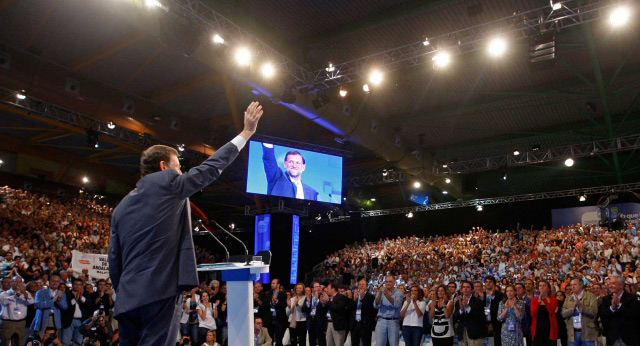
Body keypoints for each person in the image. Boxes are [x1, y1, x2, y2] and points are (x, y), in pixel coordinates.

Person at [108, 101, 263, 345]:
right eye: (178, 167)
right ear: (164, 167)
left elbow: (114, 261)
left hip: (127, 298)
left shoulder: (121, 208)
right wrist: (246, 133)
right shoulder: (170, 186)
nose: (181, 173)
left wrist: (124, 292)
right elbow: (212, 167)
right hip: (159, 295)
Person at [597, 275, 640, 345]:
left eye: (613, 283)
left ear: (621, 285)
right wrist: (612, 308)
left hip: (629, 338)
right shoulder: (606, 299)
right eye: (609, 283)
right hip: (612, 338)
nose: (610, 286)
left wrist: (620, 305)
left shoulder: (633, 298)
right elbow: (602, 315)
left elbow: (634, 315)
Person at [561, 278, 598, 346]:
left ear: (581, 285)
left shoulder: (591, 296)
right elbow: (563, 314)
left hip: (587, 333)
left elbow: (593, 312)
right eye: (571, 285)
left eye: (575, 284)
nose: (572, 286)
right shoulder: (568, 298)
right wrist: (573, 309)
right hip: (573, 334)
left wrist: (580, 306)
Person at [0, 275, 34, 346]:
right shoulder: (4, 294)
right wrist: (18, 294)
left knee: (18, 343)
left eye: (20, 282)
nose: (18, 284)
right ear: (11, 283)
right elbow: (5, 301)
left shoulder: (26, 293)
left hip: (20, 323)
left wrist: (24, 293)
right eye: (16, 282)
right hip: (8, 323)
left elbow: (31, 302)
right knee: (4, 343)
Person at [31, 273, 68, 337]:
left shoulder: (62, 293)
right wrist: (52, 301)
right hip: (42, 318)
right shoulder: (40, 292)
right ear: (49, 281)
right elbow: (37, 305)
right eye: (53, 281)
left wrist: (59, 300)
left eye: (57, 281)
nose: (55, 283)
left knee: (53, 340)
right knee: (40, 338)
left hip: (55, 319)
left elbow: (65, 307)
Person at [373, 275, 404, 346]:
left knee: (394, 344)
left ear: (394, 283)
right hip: (381, 321)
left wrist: (387, 295)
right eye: (386, 282)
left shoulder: (399, 293)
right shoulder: (380, 292)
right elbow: (375, 305)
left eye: (390, 281)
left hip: (393, 322)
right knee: (379, 344)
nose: (388, 283)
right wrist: (380, 294)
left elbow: (397, 304)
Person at [453, 280, 486, 346]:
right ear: (461, 289)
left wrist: (467, 307)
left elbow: (479, 316)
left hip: (475, 333)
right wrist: (461, 310)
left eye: (468, 287)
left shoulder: (478, 301)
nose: (465, 289)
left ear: (472, 289)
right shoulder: (458, 301)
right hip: (462, 333)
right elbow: (455, 318)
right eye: (464, 287)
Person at [62, 278, 92, 346]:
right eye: (76, 284)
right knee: (65, 342)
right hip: (69, 321)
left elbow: (89, 304)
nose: (78, 286)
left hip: (81, 321)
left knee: (78, 341)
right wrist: (75, 298)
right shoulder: (67, 294)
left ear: (82, 286)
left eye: (80, 285)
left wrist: (81, 298)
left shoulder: (85, 294)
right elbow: (66, 306)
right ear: (72, 285)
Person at [530, 280, 558, 346]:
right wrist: (539, 301)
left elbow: (551, 311)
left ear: (548, 288)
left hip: (550, 327)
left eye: (544, 285)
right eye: (540, 286)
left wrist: (544, 299)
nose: (542, 287)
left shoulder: (553, 300)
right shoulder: (534, 299)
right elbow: (533, 313)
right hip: (537, 328)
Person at [349, 279, 376, 346]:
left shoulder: (371, 297)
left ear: (366, 287)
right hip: (355, 325)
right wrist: (354, 300)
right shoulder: (354, 296)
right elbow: (350, 308)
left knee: (366, 343)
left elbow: (370, 309)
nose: (361, 286)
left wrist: (361, 298)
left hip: (365, 325)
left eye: (363, 285)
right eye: (360, 284)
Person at [262, 278, 287, 346]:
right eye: (271, 283)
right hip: (269, 319)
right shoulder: (267, 294)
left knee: (279, 340)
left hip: (279, 320)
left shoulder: (283, 294)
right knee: (269, 339)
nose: (271, 285)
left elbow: (284, 306)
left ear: (278, 285)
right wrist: (271, 303)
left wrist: (276, 301)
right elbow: (263, 305)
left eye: (273, 283)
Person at [302, 281, 326, 346]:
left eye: (319, 286)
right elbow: (303, 309)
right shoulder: (309, 297)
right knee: (312, 341)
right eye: (316, 286)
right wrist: (308, 302)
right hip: (310, 321)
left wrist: (317, 299)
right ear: (312, 289)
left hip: (319, 322)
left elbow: (323, 309)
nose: (318, 288)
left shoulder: (322, 296)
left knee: (321, 341)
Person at [483, 276, 504, 346]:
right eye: (486, 282)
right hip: (484, 324)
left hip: (497, 324)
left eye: (490, 282)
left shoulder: (500, 295)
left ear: (494, 284)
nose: (488, 283)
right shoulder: (482, 295)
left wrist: (492, 299)